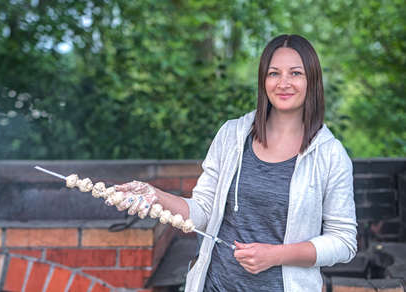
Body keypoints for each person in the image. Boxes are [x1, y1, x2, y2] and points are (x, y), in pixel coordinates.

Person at [114, 34, 357, 292]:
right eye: (274, 73)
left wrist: (276, 255)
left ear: (312, 81)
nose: (283, 82)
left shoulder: (330, 155)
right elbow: (203, 212)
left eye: (295, 73)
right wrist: (157, 197)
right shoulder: (231, 135)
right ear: (263, 80)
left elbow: (343, 242)